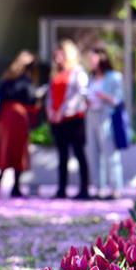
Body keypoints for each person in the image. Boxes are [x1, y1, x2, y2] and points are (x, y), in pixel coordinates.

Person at [0, 51, 38, 198]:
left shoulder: (7, 78)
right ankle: (15, 186)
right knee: (18, 150)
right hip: (18, 117)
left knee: (6, 148)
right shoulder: (25, 81)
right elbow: (31, 99)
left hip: (5, 117)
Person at [46, 39, 89, 200]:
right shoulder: (55, 73)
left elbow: (79, 95)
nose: (57, 57)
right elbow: (50, 95)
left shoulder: (77, 72)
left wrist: (62, 111)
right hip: (58, 121)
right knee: (62, 155)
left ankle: (84, 189)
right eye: (56, 54)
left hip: (73, 119)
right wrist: (51, 110)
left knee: (79, 153)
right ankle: (61, 189)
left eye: (60, 54)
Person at [86, 46, 125, 199]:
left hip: (106, 116)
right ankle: (98, 187)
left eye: (93, 58)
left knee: (110, 153)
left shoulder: (114, 77)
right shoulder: (91, 78)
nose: (90, 61)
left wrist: (105, 97)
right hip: (92, 115)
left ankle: (115, 188)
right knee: (93, 152)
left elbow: (119, 100)